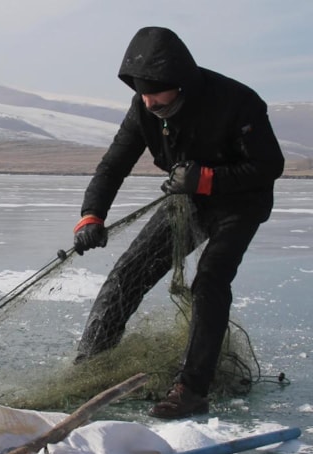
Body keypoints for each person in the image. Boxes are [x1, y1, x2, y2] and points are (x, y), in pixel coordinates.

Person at [72, 26, 284, 419]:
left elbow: (270, 165)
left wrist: (207, 179)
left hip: (240, 203)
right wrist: (92, 214)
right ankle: (88, 368)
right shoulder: (143, 109)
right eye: (142, 93)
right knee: (127, 274)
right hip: (187, 201)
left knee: (209, 280)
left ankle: (191, 390)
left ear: (181, 84)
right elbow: (114, 164)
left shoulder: (237, 101)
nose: (148, 101)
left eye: (156, 94)